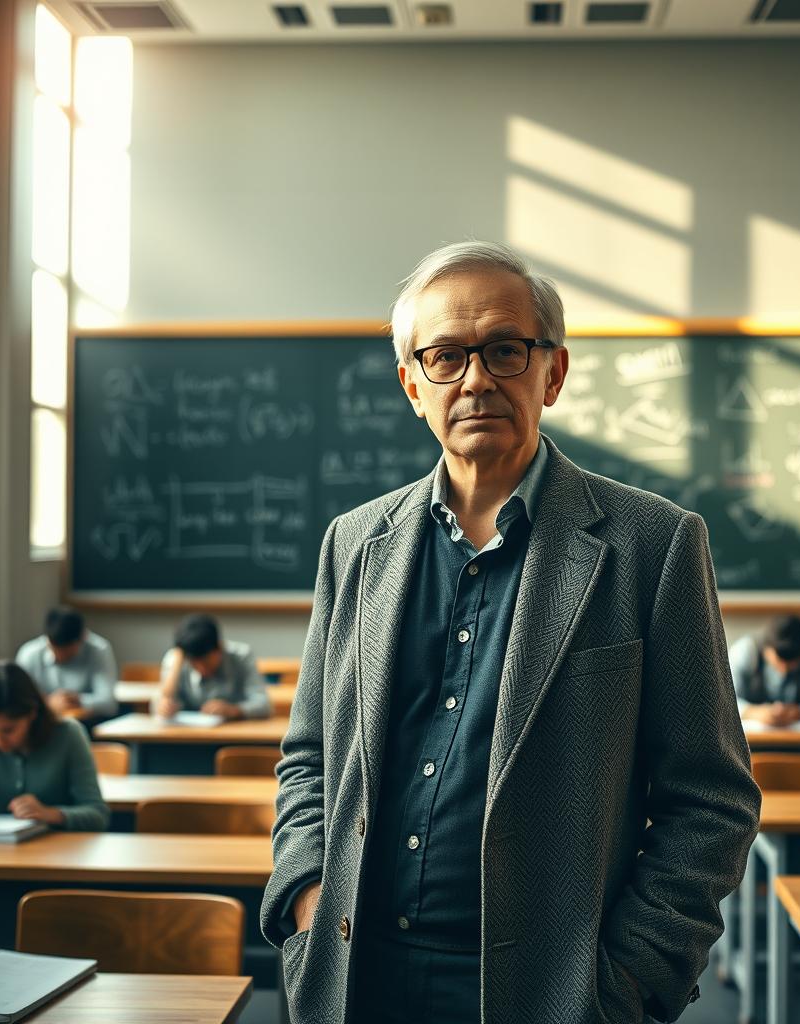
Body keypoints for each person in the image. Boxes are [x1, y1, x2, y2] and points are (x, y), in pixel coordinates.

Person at [262, 242, 761, 1024]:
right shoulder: (354, 544)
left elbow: (712, 798)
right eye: (446, 357)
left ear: (551, 372)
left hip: (555, 995)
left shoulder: (651, 545)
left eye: (504, 351)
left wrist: (627, 982)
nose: (476, 380)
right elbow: (308, 758)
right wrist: (306, 908)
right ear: (411, 384)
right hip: (359, 979)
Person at [0, 661, 109, 830]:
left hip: (59, 852)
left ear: (32, 713)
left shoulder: (68, 734)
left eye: (8, 730)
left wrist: (51, 814)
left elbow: (98, 815)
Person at [728, 614, 800, 726]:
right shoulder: (746, 650)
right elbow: (725, 701)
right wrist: (754, 712)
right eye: (780, 661)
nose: (784, 669)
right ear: (766, 650)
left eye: (792, 663)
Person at [154, 614, 271, 721]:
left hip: (232, 736)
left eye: (205, 662)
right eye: (194, 664)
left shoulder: (241, 656)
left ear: (219, 648)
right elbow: (160, 704)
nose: (201, 669)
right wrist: (165, 705)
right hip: (187, 736)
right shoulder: (178, 659)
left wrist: (233, 709)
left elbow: (263, 705)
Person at [15, 607, 119, 719]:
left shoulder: (99, 649)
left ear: (84, 637)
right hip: (41, 723)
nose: (60, 655)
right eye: (55, 649)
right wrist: (47, 703)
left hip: (86, 723)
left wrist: (77, 701)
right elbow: (17, 700)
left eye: (66, 651)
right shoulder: (29, 653)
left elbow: (109, 704)